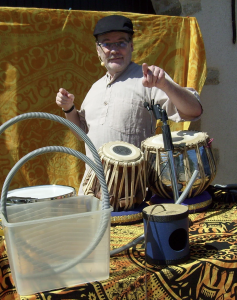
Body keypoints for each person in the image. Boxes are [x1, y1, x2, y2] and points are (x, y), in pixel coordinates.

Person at [55, 15, 202, 195]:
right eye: (107, 43)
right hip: (93, 194)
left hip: (133, 194)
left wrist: (165, 85)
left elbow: (193, 111)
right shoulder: (94, 89)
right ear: (98, 49)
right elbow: (81, 134)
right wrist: (69, 109)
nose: (114, 50)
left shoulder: (148, 80)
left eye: (121, 43)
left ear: (131, 46)